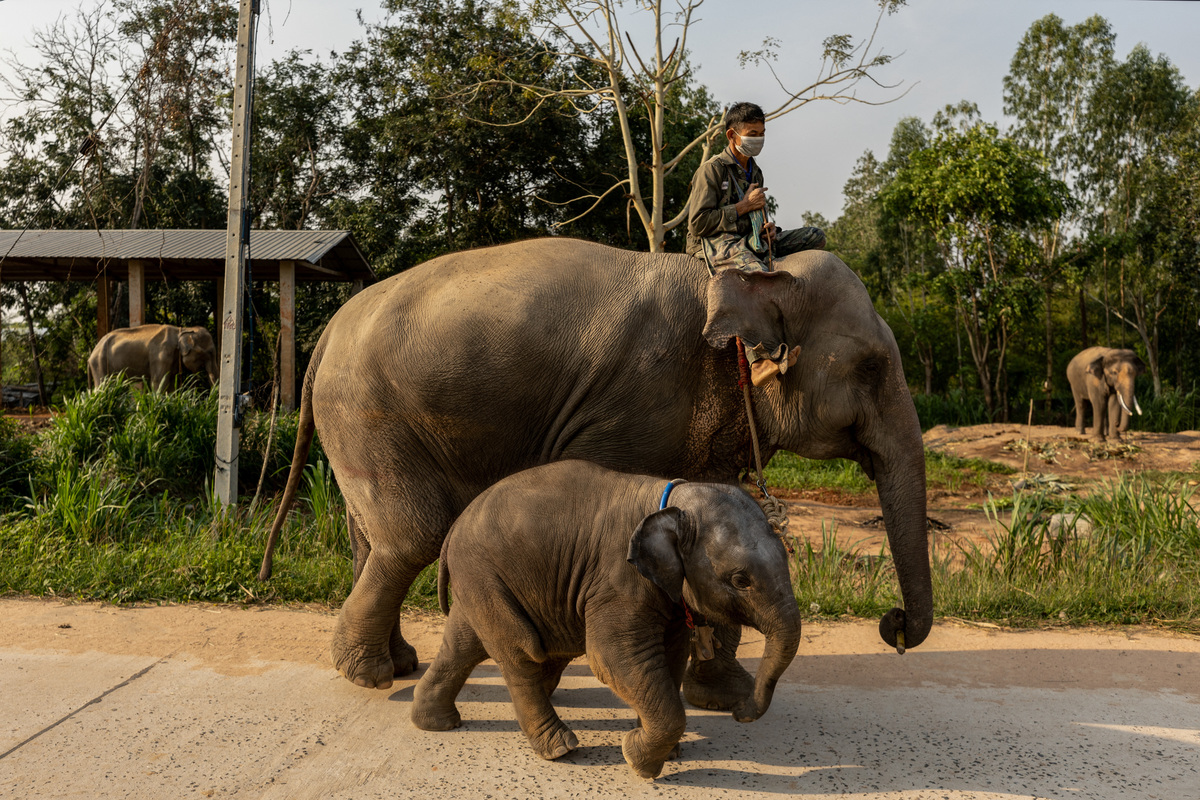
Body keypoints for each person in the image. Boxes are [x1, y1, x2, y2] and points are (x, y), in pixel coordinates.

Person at [685, 102, 825, 274]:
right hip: (714, 241)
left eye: (762, 134)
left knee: (815, 236)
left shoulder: (755, 171)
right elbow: (697, 224)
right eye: (752, 134)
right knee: (760, 275)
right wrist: (744, 206)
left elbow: (755, 214)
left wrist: (768, 229)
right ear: (731, 135)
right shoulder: (712, 169)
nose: (759, 139)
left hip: (748, 237)